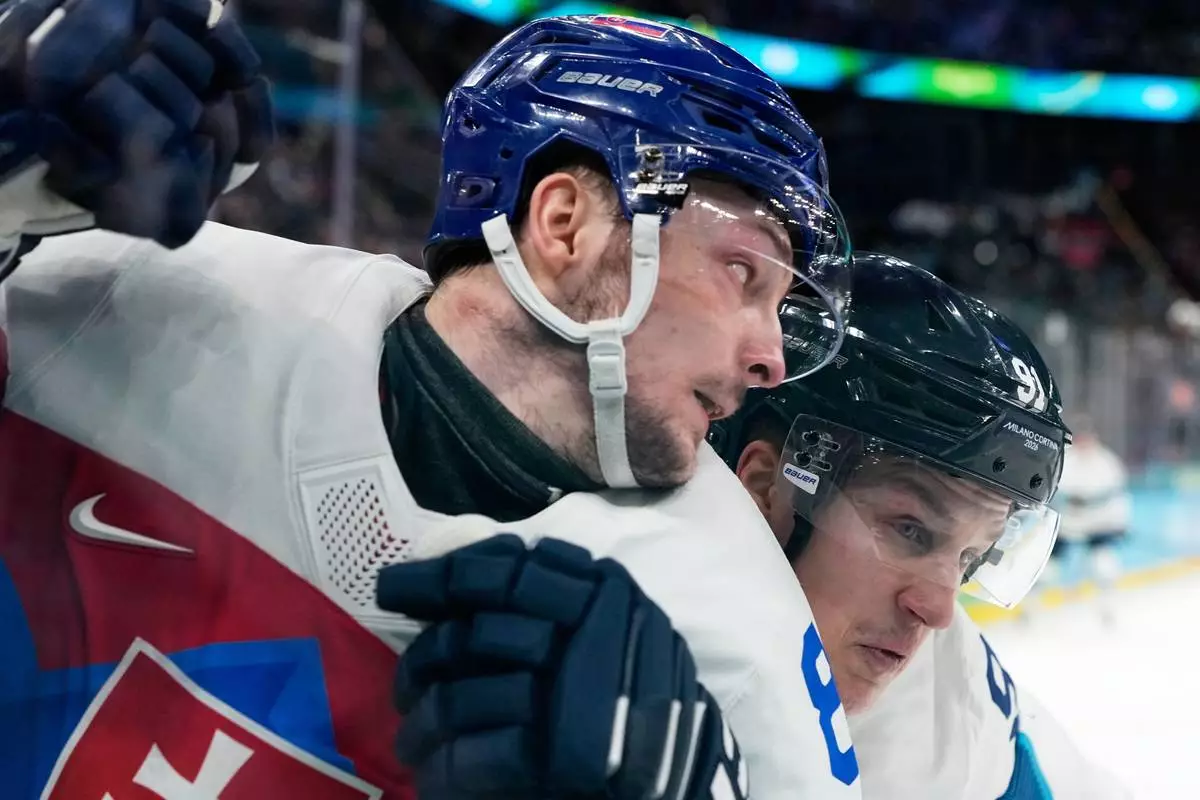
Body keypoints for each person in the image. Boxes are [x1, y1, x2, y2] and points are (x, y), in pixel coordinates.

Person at [0, 3, 862, 798]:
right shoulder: (134, 298)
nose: (771, 359)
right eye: (743, 273)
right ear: (565, 225)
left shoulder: (732, 622)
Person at [704, 253, 1130, 797]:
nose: (939, 611)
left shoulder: (949, 716)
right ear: (767, 486)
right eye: (912, 530)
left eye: (969, 559)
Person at [1038, 415, 1131, 624]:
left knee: (1104, 567)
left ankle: (1107, 609)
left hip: (1098, 524)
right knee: (1047, 571)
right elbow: (1050, 493)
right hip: (1067, 522)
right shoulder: (1064, 460)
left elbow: (1118, 496)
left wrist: (1120, 523)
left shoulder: (1107, 463)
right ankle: (1030, 610)